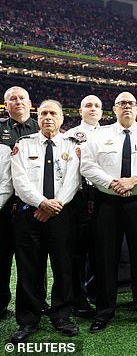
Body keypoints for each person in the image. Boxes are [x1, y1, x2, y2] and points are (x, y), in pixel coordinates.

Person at [80, 92, 137, 332]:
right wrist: (112, 183)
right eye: (122, 103)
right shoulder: (99, 135)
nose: (126, 107)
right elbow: (87, 165)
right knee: (105, 258)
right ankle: (104, 310)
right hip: (107, 203)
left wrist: (135, 180)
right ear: (114, 109)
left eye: (131, 103)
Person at [9, 100, 81, 343]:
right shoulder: (23, 145)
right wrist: (42, 203)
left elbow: (72, 181)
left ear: (62, 119)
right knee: (29, 268)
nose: (48, 117)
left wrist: (53, 205)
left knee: (63, 266)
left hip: (61, 214)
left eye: (53, 113)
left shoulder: (71, 146)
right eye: (43, 113)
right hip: (30, 214)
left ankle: (62, 316)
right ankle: (28, 320)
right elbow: (19, 181)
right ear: (37, 117)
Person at [0, 86, 38, 319]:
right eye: (12, 99)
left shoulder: (41, 126)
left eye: (22, 97)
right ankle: (1, 302)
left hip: (31, 205)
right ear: (6, 105)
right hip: (4, 205)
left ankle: (37, 301)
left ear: (30, 102)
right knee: (2, 256)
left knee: (33, 259)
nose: (18, 102)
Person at [64, 95, 103, 318]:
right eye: (88, 105)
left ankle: (96, 292)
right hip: (79, 196)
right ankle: (77, 297)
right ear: (80, 111)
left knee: (101, 249)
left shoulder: (110, 133)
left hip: (103, 196)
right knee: (77, 252)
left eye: (97, 106)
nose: (93, 109)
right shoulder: (71, 135)